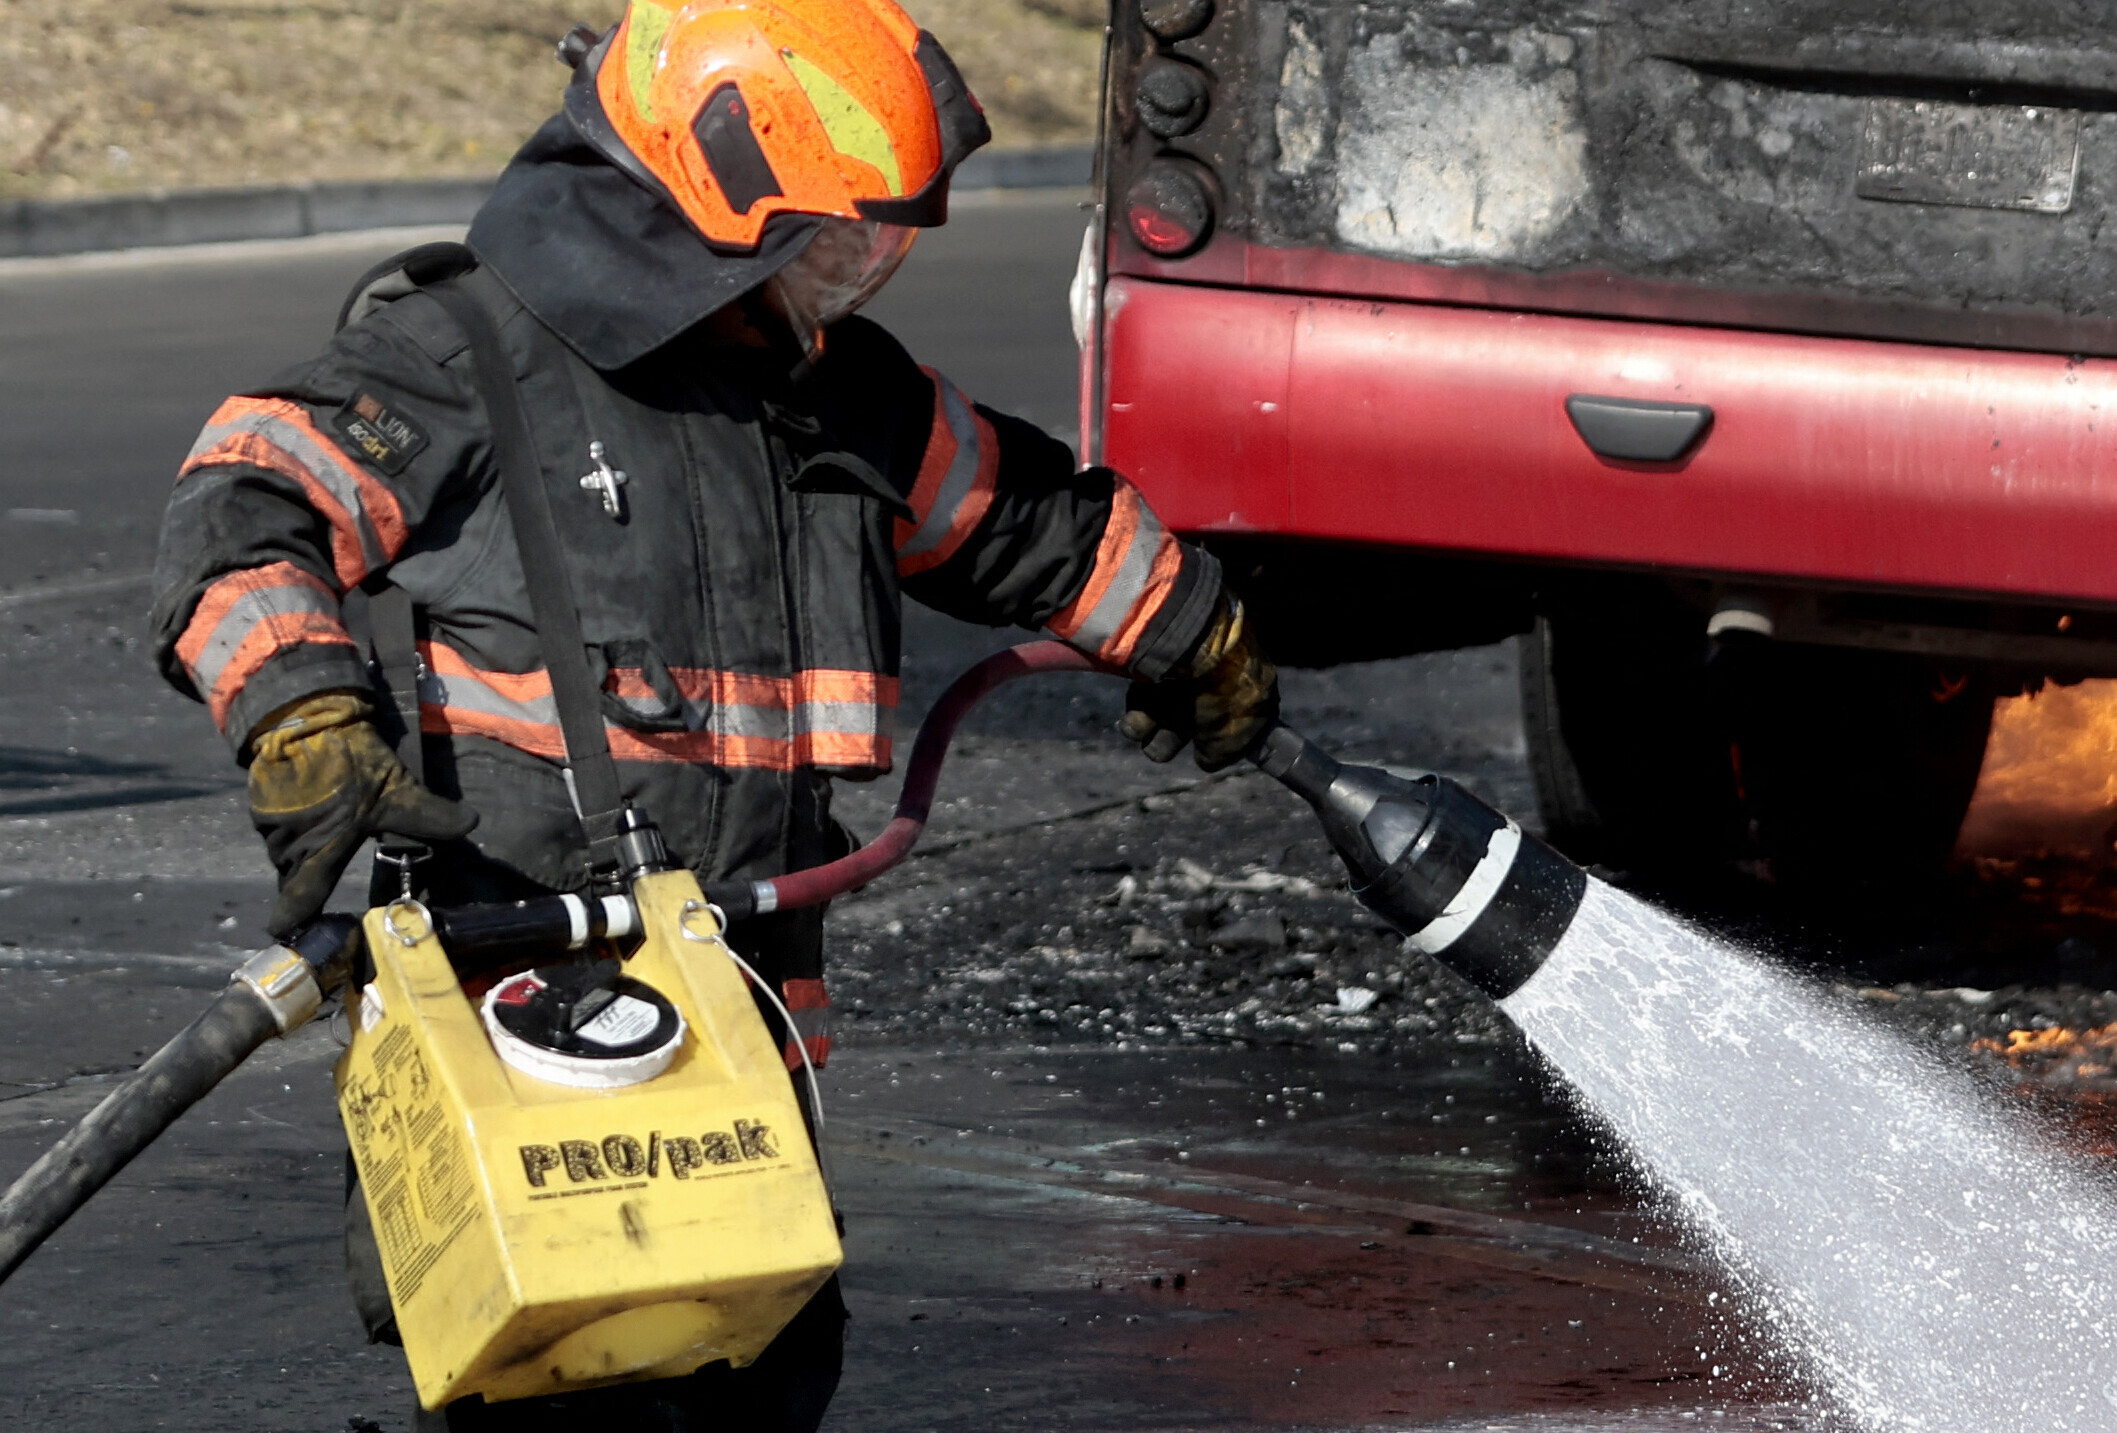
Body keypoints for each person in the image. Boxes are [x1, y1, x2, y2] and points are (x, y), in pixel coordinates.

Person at [139, 0, 1274, 1426]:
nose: (867, 267)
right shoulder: (466, 359)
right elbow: (243, 505)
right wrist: (303, 713)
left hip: (736, 1025)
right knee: (562, 1385)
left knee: (768, 1371)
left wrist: (1191, 630)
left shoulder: (830, 396)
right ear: (713, 184)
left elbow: (1023, 521)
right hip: (523, 1017)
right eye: (843, 232)